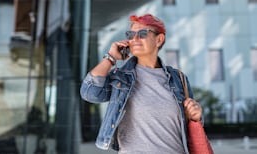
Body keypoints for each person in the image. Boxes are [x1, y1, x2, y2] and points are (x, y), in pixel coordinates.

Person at [80, 14, 203, 154]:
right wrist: (110, 58)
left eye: (142, 33)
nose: (135, 39)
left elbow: (189, 125)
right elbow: (90, 93)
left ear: (159, 39)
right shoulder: (120, 77)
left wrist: (196, 116)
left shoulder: (178, 78)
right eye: (131, 34)